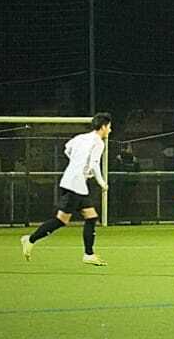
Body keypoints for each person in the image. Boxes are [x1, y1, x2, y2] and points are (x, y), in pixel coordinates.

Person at [21, 112, 112, 266]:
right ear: (103, 127)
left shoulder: (80, 137)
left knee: (91, 217)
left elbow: (67, 149)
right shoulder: (98, 142)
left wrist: (78, 164)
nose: (110, 130)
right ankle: (30, 239)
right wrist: (102, 183)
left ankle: (89, 254)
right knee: (61, 220)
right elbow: (95, 164)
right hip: (75, 184)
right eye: (109, 127)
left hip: (72, 181)